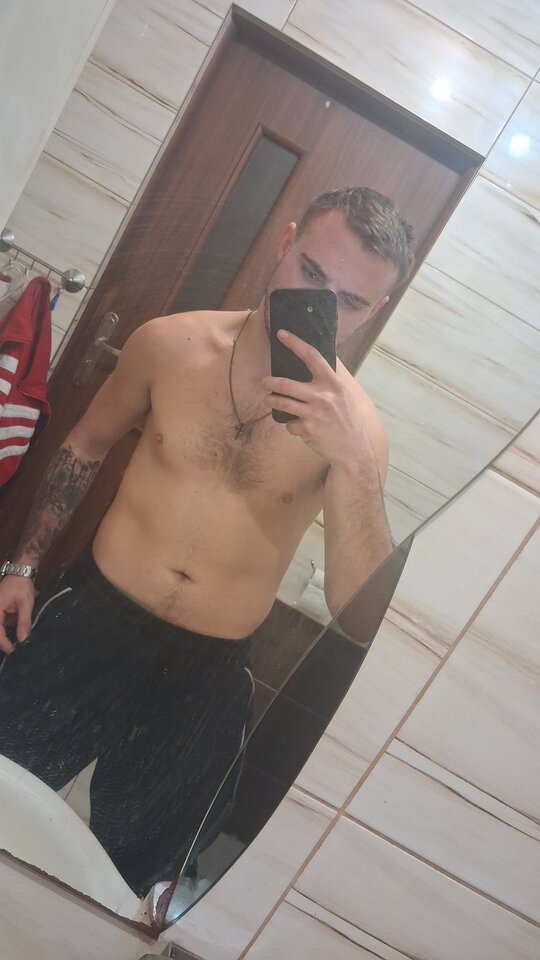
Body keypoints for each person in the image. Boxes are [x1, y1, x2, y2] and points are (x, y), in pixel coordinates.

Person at [0, 186, 414, 895]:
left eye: (347, 300)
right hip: (92, 616)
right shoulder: (170, 344)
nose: (318, 302)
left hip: (205, 673)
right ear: (284, 241)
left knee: (131, 879)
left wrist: (354, 463)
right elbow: (87, 445)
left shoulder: (358, 434)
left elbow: (360, 616)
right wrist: (22, 564)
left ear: (373, 311)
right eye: (311, 271)